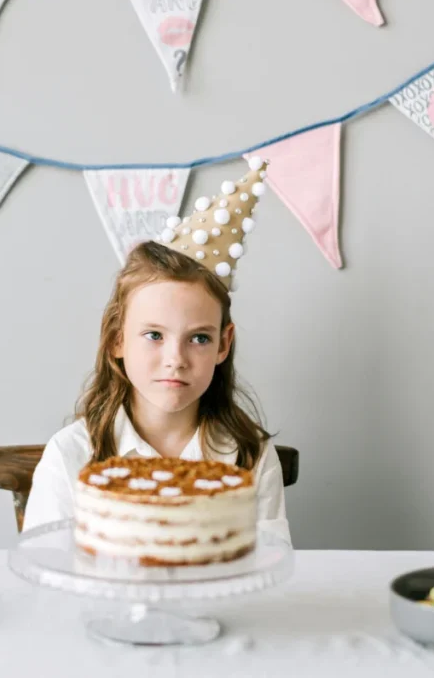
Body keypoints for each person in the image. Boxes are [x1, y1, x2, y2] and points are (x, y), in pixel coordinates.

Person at [21, 159, 289, 543]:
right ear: (117, 338)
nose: (175, 359)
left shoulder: (250, 456)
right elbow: (48, 569)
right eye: (154, 335)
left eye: (198, 338)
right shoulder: (72, 455)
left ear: (223, 344)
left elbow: (268, 563)